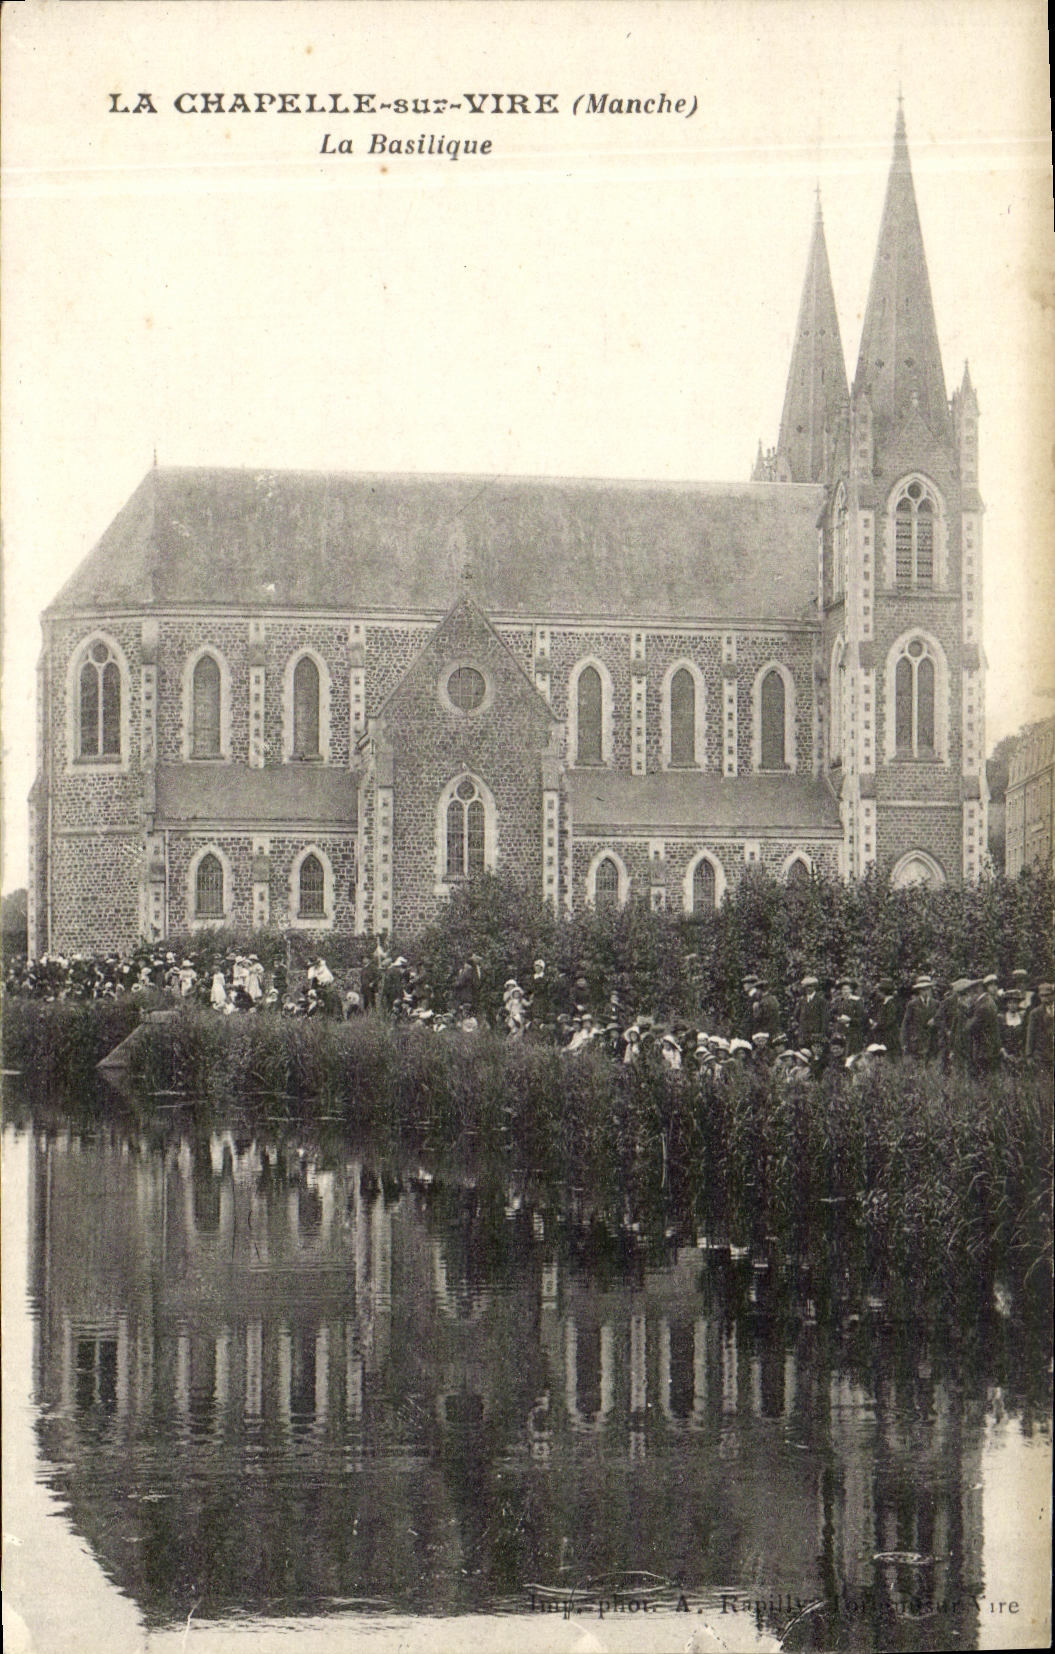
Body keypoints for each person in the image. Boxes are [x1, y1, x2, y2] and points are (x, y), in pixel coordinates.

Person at [966, 975, 1006, 1077]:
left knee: (983, 1076)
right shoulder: (986, 1001)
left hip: (984, 1047)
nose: (971, 993)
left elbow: (972, 1026)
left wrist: (965, 1024)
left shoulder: (985, 1004)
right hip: (987, 1045)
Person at [900, 975, 937, 1061]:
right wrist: (904, 1042)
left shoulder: (936, 1004)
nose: (926, 992)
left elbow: (942, 1020)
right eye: (923, 989)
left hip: (932, 1041)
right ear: (919, 991)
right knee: (918, 1066)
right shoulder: (912, 1004)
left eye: (927, 989)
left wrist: (935, 1020)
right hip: (917, 1042)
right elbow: (906, 1023)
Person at [1024, 982, 1053, 1072]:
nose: (1045, 998)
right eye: (1042, 996)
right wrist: (1029, 1055)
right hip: (1041, 1056)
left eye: (1047, 995)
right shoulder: (1035, 1013)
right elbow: (1031, 1034)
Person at [870, 978, 902, 1058]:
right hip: (883, 1036)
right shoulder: (883, 1004)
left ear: (884, 992)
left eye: (879, 991)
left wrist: (877, 1025)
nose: (878, 994)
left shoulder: (891, 1004)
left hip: (890, 1036)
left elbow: (890, 1020)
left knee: (890, 1057)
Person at [796, 975, 828, 1052]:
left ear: (814, 987)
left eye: (810, 986)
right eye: (806, 987)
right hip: (804, 1034)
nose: (808, 989)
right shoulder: (802, 1001)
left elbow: (824, 1019)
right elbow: (797, 1016)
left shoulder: (821, 1001)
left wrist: (822, 1033)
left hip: (816, 1035)